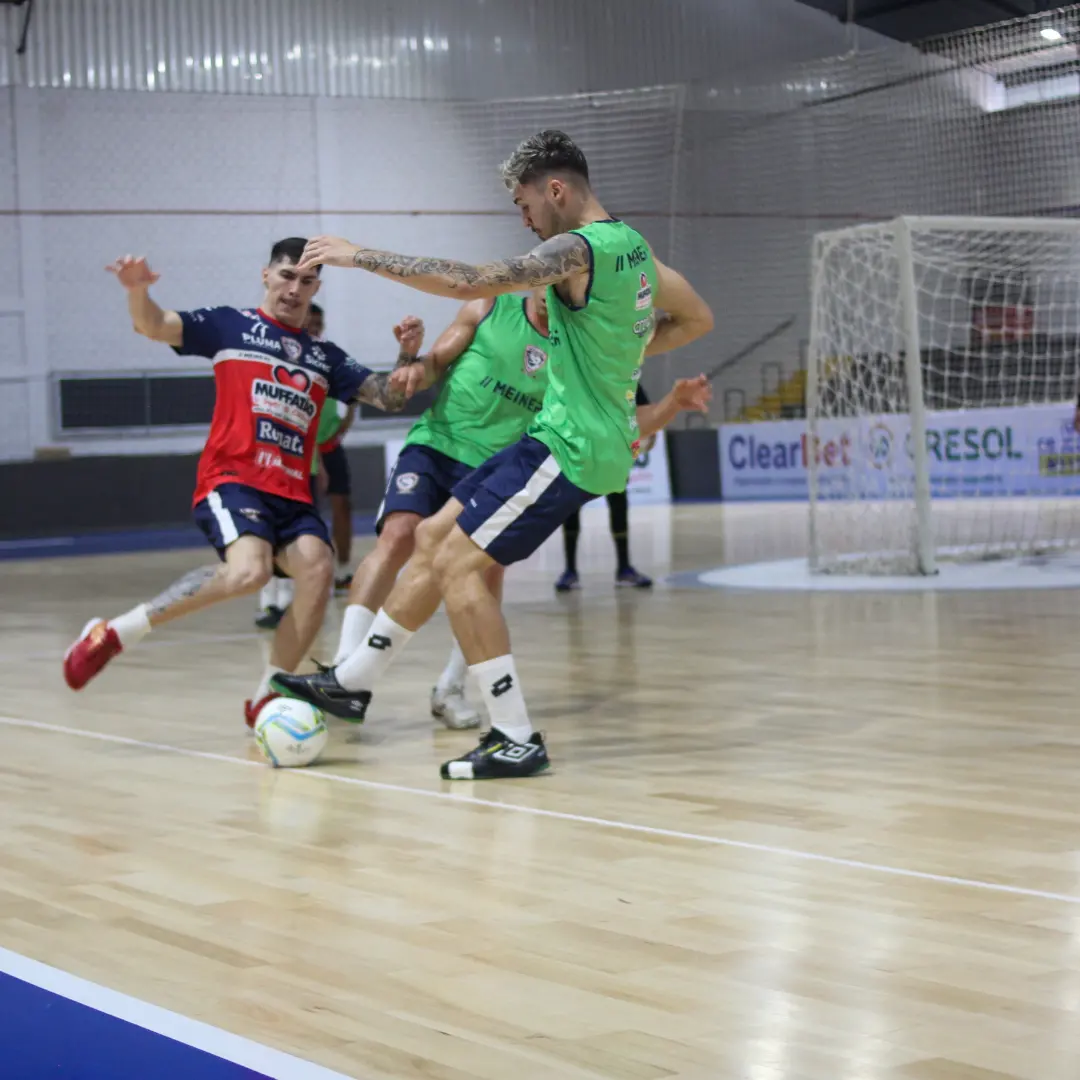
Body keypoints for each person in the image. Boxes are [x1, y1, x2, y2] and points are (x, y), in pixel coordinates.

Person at [274, 130, 714, 779]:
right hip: (562, 437)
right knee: (432, 535)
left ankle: (513, 735)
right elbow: (698, 318)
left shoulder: (575, 249)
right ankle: (354, 679)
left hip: (570, 444)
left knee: (457, 565)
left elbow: (470, 281)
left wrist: (358, 254)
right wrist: (613, 350)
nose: (525, 218)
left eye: (524, 202)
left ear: (555, 189)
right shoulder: (642, 256)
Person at [62, 238, 420, 728]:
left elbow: (389, 398)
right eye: (287, 276)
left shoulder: (325, 357)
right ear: (266, 275)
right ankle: (115, 633)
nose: (295, 288)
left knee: (318, 567)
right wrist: (138, 290)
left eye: (308, 281)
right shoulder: (230, 325)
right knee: (248, 574)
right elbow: (151, 324)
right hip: (234, 481)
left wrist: (406, 356)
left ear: (317, 287)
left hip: (293, 496)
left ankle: (265, 698)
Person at [331, 287, 553, 730]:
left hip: (497, 469)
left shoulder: (574, 341)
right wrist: (412, 360)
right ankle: (342, 676)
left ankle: (451, 688)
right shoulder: (489, 307)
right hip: (437, 446)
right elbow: (434, 365)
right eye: (546, 280)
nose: (551, 292)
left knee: (483, 574)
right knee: (398, 536)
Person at [556, 381, 655, 592]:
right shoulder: (581, 372)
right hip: (580, 451)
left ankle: (624, 568)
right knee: (570, 509)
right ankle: (570, 570)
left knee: (619, 507)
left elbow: (646, 414)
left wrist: (646, 437)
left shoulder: (628, 377)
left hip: (613, 454)